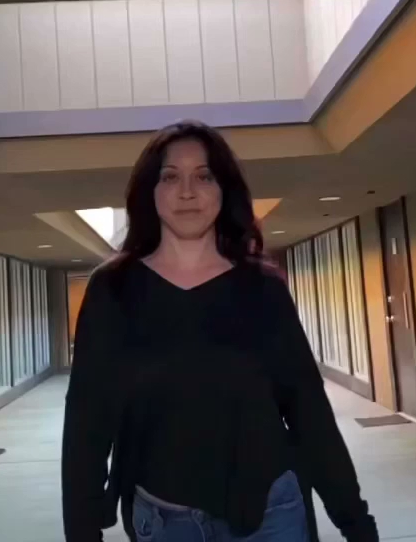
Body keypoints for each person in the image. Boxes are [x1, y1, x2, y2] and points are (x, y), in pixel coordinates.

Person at [61, 120, 378, 542]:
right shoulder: (113, 290)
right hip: (164, 523)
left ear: (223, 189)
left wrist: (356, 523)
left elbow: (309, 412)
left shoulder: (262, 289)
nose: (187, 191)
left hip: (271, 516)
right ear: (150, 192)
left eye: (204, 176)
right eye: (170, 177)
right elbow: (87, 423)